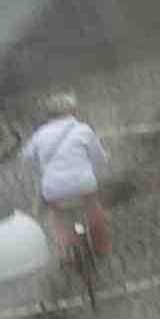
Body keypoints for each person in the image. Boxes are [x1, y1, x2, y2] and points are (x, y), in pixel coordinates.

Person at [16, 92, 109, 278]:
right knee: (93, 207)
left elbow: (25, 157)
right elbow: (99, 158)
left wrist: (39, 171)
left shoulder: (40, 134)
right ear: (72, 111)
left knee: (58, 215)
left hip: (54, 189)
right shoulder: (83, 130)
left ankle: (66, 250)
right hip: (83, 185)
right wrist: (98, 168)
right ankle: (101, 246)